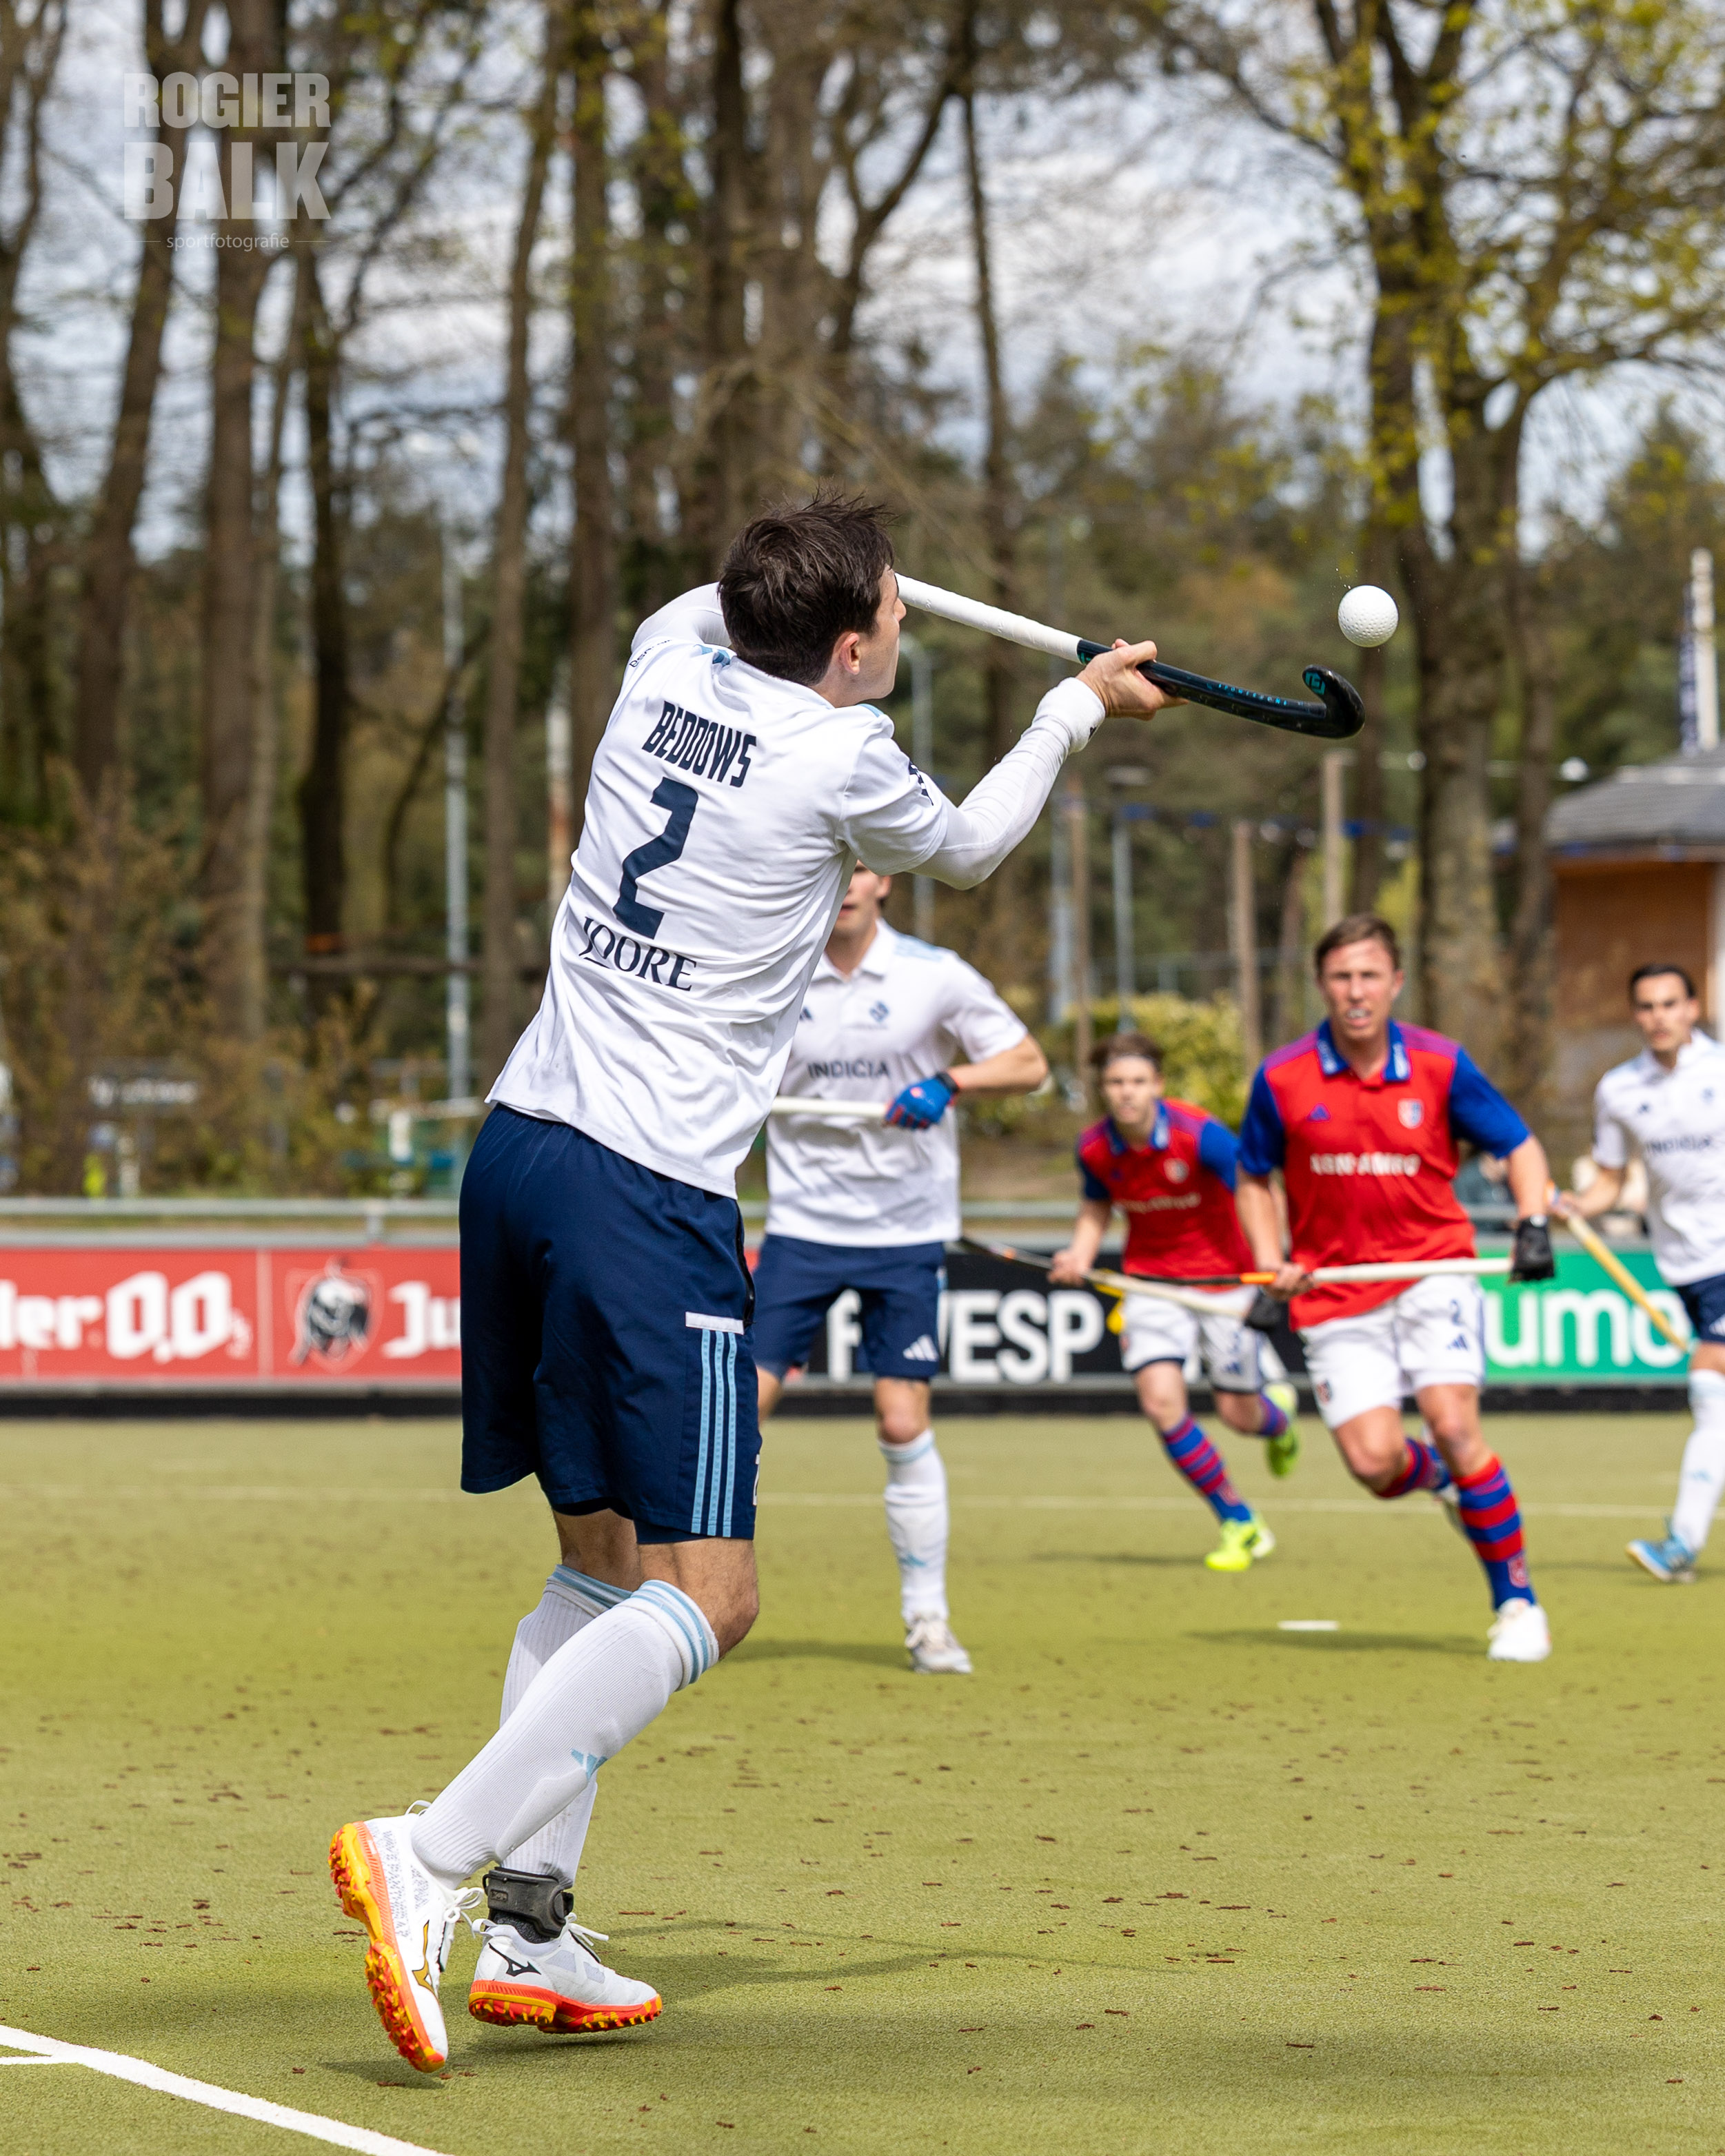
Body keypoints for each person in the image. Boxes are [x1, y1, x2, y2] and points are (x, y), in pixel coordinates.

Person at [325, 494, 1178, 2071]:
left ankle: (530, 1926)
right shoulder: (841, 753)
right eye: (893, 616)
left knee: (597, 1558)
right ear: (848, 645)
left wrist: (822, 566)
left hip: (517, 1148)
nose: (907, 627)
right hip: (644, 1193)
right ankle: (427, 1852)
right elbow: (971, 843)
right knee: (712, 1591)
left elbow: (727, 596)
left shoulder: (663, 653)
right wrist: (1073, 707)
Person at [1233, 913, 1558, 1663]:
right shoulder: (1282, 1077)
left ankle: (1517, 1604)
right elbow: (1253, 1176)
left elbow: (1519, 1145)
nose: (1357, 991)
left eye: (1370, 976)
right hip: (1335, 1290)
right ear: (1322, 985)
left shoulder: (1441, 1064)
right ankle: (1445, 1481)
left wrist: (1533, 1221)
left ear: (1396, 983)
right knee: (1374, 1463)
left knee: (1453, 1423)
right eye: (1342, 977)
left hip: (1432, 1269)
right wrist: (1271, 1260)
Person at [753, 866, 1047, 1674]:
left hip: (906, 1231)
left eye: (861, 866)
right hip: (803, 1227)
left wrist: (951, 1081)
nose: (846, 883)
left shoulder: (934, 974)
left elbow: (1028, 1063)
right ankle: (687, 1596)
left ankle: (928, 1619)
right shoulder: (771, 964)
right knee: (740, 1413)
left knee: (901, 1421)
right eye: (834, 864)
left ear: (884, 878)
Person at [1049, 1032, 1300, 1571]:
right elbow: (1096, 1206)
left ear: (1158, 1085)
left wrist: (1272, 1261)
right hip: (1152, 1284)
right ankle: (1239, 1521)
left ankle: (1278, 1420)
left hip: (1226, 1281)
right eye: (1116, 1082)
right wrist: (1078, 1255)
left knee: (1239, 1414)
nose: (1127, 1093)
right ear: (1102, 1088)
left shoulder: (1202, 1136)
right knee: (1161, 1403)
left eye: (1138, 1081)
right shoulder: (1094, 1148)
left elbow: (1260, 1190)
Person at [1558, 963, 1725, 1583]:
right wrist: (1576, 1205)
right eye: (1648, 1007)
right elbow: (1610, 1178)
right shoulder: (1619, 1089)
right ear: (1636, 1015)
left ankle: (1681, 1544)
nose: (1660, 1017)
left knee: (1709, 1381)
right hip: (1684, 1264)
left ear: (1693, 1008)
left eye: (1671, 1004)